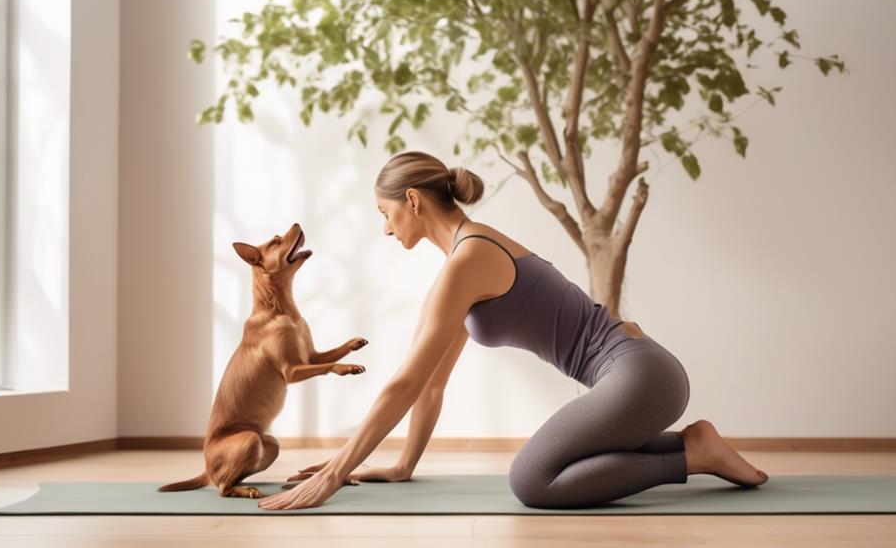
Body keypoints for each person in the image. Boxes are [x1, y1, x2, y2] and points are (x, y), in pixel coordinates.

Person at [258, 151, 768, 511]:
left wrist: (333, 472)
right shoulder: (463, 262)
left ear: (412, 200)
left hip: (641, 376)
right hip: (640, 374)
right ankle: (694, 443)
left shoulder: (469, 259)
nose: (386, 229)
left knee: (532, 480)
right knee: (547, 471)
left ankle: (693, 456)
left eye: (386, 214)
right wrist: (401, 465)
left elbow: (404, 384)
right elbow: (431, 383)